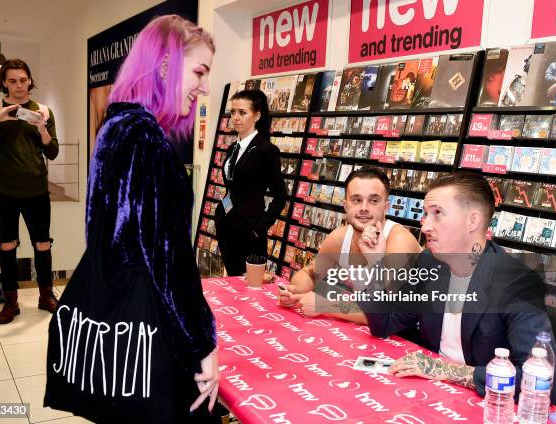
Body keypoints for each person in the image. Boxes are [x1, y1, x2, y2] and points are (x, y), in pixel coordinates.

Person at [44, 15, 219, 421]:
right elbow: (168, 263)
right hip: (152, 338)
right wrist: (204, 345)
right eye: (199, 71)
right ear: (165, 65)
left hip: (119, 330)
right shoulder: (147, 141)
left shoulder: (115, 126)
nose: (206, 87)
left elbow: (100, 233)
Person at [365, 172, 556, 407]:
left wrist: (450, 371)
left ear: (472, 221)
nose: (425, 225)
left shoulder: (516, 281)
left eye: (437, 214)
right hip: (432, 396)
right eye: (425, 214)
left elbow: (541, 381)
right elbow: (384, 324)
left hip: (491, 407)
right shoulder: (429, 261)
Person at [0, 58, 59, 324]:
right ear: (3, 83)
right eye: (12, 81)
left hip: (36, 188)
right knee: (7, 246)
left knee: (42, 244)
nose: (19, 85)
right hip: (4, 189)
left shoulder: (43, 110)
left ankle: (45, 296)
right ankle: (11, 303)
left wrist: (41, 128)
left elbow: (52, 151)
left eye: (23, 79)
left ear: (30, 80)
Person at [279, 167, 421, 324]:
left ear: (386, 207)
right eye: (356, 200)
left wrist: (326, 305)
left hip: (407, 338)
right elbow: (310, 273)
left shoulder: (399, 240)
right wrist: (294, 292)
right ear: (345, 205)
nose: (364, 208)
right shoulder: (339, 238)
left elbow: (387, 312)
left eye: (374, 200)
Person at [215, 89, 286, 276]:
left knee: (250, 289)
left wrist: (260, 228)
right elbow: (231, 187)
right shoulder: (232, 148)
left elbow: (280, 196)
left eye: (242, 112)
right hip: (226, 227)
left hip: (249, 232)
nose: (236, 117)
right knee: (232, 281)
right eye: (233, 112)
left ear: (257, 115)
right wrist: (220, 214)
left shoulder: (266, 150)